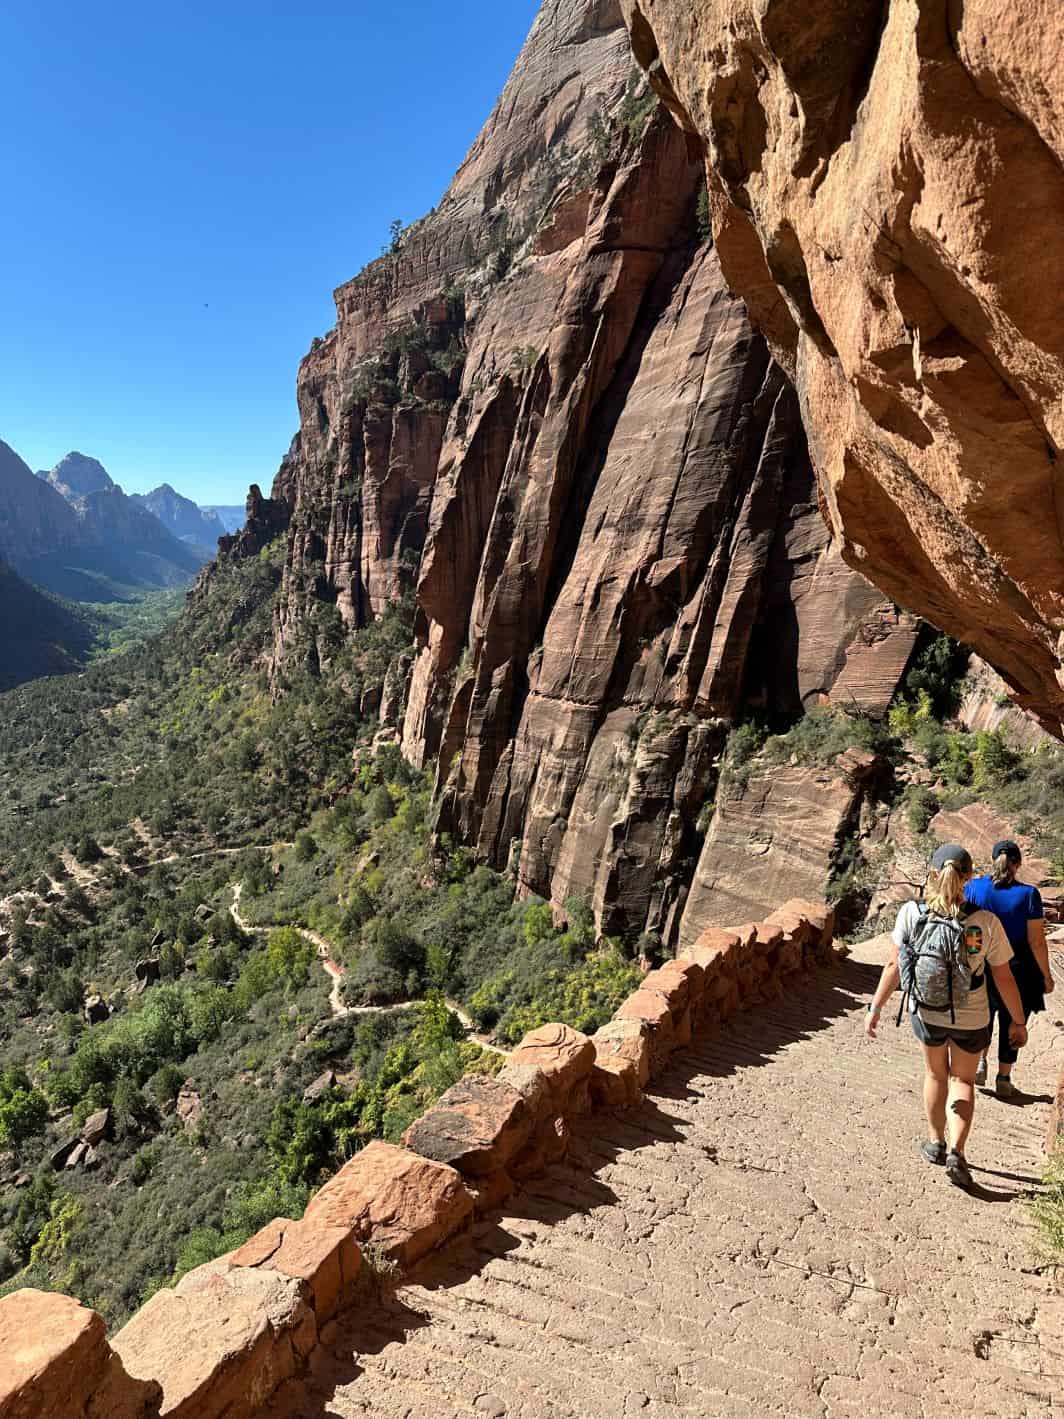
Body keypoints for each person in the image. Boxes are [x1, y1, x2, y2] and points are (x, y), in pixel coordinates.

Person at [865, 842, 1028, 1189]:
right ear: (969, 877)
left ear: (933, 875)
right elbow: (1003, 978)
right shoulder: (984, 922)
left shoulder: (911, 913)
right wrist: (1017, 1020)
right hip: (972, 1019)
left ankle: (935, 1142)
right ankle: (957, 1151)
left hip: (928, 1013)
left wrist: (875, 1008)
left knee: (936, 1076)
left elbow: (895, 965)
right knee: (963, 1082)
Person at [965, 839, 1054, 1096]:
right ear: (1018, 864)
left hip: (981, 960)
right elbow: (1036, 941)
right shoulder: (1028, 894)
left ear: (994, 860)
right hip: (1018, 965)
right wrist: (1046, 976)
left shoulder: (974, 888)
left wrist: (973, 960)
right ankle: (1003, 1078)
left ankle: (979, 1061)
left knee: (983, 1015)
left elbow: (969, 926)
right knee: (1014, 1020)